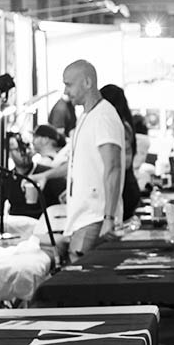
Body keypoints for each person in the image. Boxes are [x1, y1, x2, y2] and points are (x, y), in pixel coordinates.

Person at [62, 60, 124, 259]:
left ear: (87, 83)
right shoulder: (87, 116)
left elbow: (113, 167)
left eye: (69, 84)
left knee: (81, 272)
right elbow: (87, 164)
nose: (66, 91)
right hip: (84, 217)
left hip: (95, 218)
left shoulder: (104, 116)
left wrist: (109, 217)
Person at [100, 83, 143, 221]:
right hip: (127, 187)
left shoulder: (120, 127)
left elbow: (126, 161)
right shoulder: (123, 125)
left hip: (124, 190)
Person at [0, 133, 42, 219]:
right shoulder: (5, 178)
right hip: (15, 224)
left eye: (27, 147)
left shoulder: (46, 174)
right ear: (9, 153)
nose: (25, 152)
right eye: (18, 149)